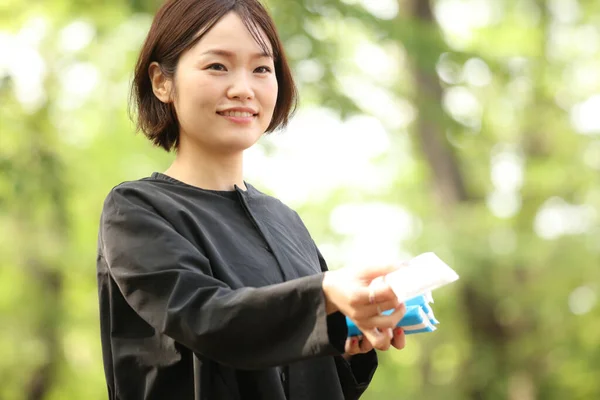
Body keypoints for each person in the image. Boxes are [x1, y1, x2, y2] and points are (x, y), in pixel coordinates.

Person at [96, 0, 407, 399]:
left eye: (261, 68)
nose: (243, 89)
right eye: (217, 66)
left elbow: (308, 365)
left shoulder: (285, 220)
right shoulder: (136, 209)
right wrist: (326, 294)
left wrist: (348, 329)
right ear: (162, 82)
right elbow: (208, 318)